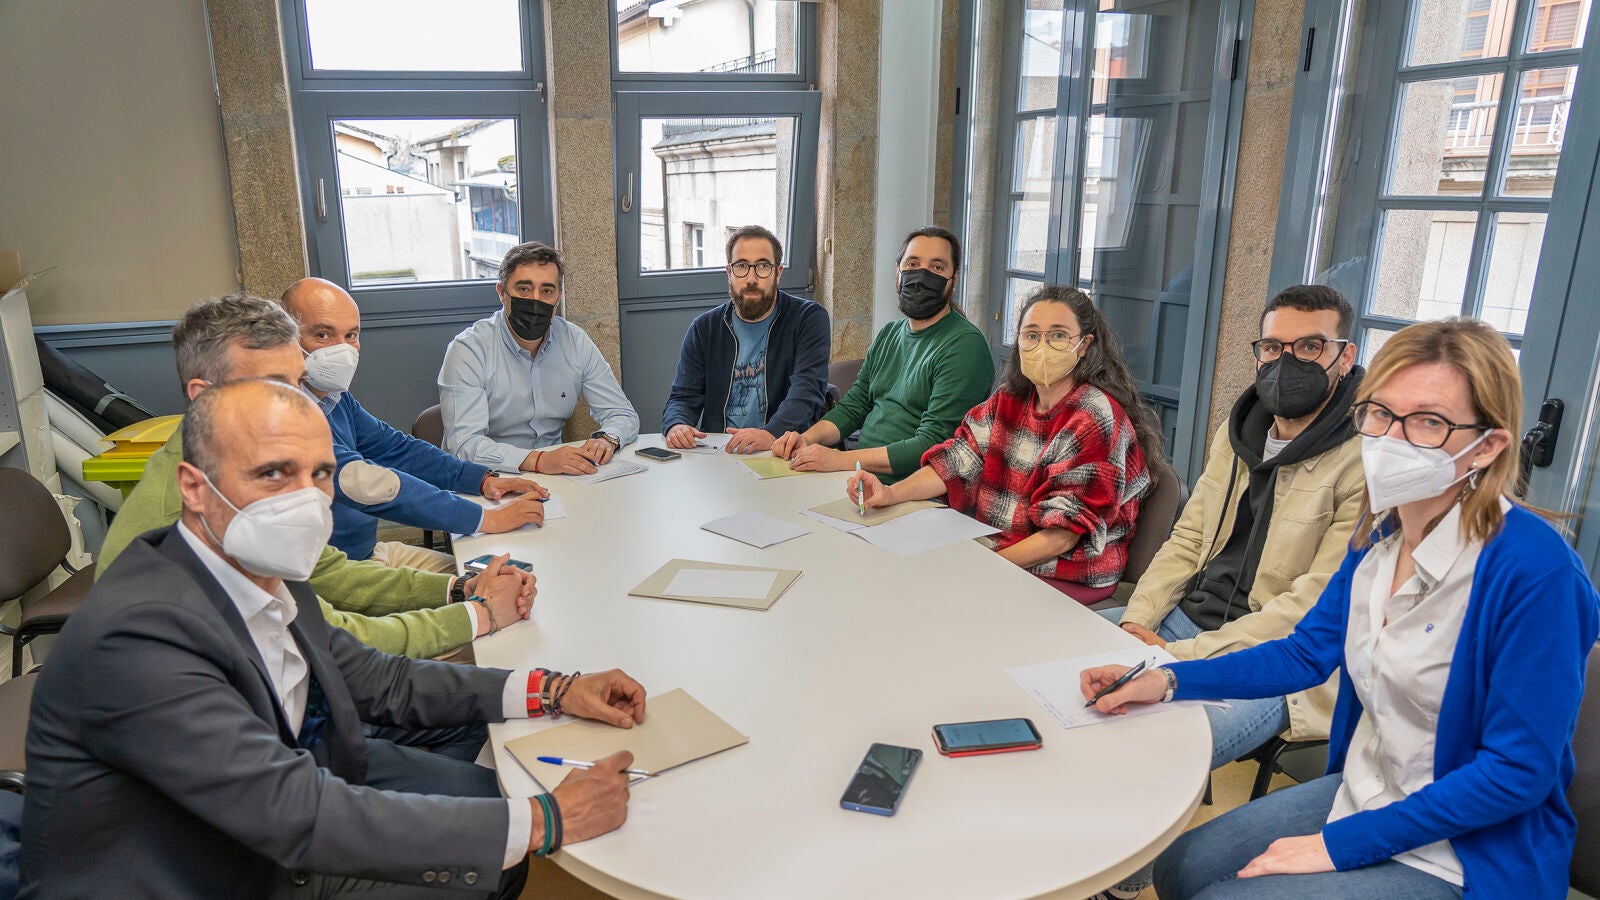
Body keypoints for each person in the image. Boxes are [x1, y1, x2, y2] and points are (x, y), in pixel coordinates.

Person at [23, 379, 650, 898]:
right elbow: (291, 811)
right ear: (194, 487)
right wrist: (543, 820)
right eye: (273, 472)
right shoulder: (137, 637)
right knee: (495, 855)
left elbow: (379, 678)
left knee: (490, 795)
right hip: (207, 870)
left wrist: (556, 689)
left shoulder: (265, 572)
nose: (304, 501)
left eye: (319, 474)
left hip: (286, 794)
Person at [1082, 318, 1599, 900]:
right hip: (1371, 790)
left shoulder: (1537, 572)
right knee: (1181, 869)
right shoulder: (1381, 534)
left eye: (1429, 421)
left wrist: (1336, 847)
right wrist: (1170, 679)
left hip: (1469, 850)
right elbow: (1304, 654)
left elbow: (1517, 773)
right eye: (1380, 413)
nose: (1393, 438)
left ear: (1488, 446)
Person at [97, 294, 525, 660]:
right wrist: (477, 614)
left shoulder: (243, 457)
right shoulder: (198, 510)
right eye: (271, 385)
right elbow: (335, 641)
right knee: (499, 651)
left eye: (296, 382)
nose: (296, 401)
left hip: (311, 642)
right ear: (203, 395)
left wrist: (460, 590)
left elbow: (327, 572)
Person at [1103, 285, 1366, 770]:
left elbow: (1309, 607)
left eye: (1310, 346)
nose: (1287, 362)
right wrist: (1137, 621)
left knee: (1149, 760)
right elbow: (1188, 537)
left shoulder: (1364, 460)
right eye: (1273, 347)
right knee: (1046, 671)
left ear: (1345, 357)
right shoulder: (1240, 429)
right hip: (1182, 618)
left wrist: (1181, 655)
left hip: (1275, 660)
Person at [847, 286, 1157, 604]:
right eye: (1031, 335)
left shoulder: (1094, 416)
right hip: (999, 552)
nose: (1042, 346)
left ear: (1084, 345)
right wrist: (889, 494)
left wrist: (982, 570)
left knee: (935, 602)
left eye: (1058, 336)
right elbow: (957, 459)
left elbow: (1062, 537)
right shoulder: (1010, 399)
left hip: (1064, 572)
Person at [282, 278, 549, 571]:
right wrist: (485, 518)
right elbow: (373, 486)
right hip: (336, 572)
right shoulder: (286, 417)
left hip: (368, 552)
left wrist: (481, 480)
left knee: (502, 575)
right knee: (481, 587)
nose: (342, 350)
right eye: (322, 334)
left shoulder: (334, 398)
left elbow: (396, 449)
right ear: (286, 338)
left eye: (351, 335)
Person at [771, 226, 993, 482]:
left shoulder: (965, 346)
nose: (922, 275)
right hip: (861, 479)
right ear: (898, 272)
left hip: (913, 491)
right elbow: (855, 406)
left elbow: (933, 445)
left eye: (937, 267)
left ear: (953, 280)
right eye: (912, 264)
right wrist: (806, 439)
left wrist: (839, 460)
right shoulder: (890, 334)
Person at [439, 241, 640, 476]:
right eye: (524, 289)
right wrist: (537, 460)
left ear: (558, 297)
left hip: (556, 477)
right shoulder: (469, 350)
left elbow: (622, 413)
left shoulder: (574, 340)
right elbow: (464, 446)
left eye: (546, 291)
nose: (535, 301)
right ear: (502, 292)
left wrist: (608, 438)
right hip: (488, 478)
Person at [661, 224, 831, 454]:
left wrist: (771, 434)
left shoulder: (807, 319)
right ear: (729, 273)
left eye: (762, 266)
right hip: (720, 450)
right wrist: (677, 425)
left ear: (778, 273)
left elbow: (806, 392)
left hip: (782, 449)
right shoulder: (704, 328)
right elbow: (682, 397)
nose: (751, 278)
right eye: (741, 266)